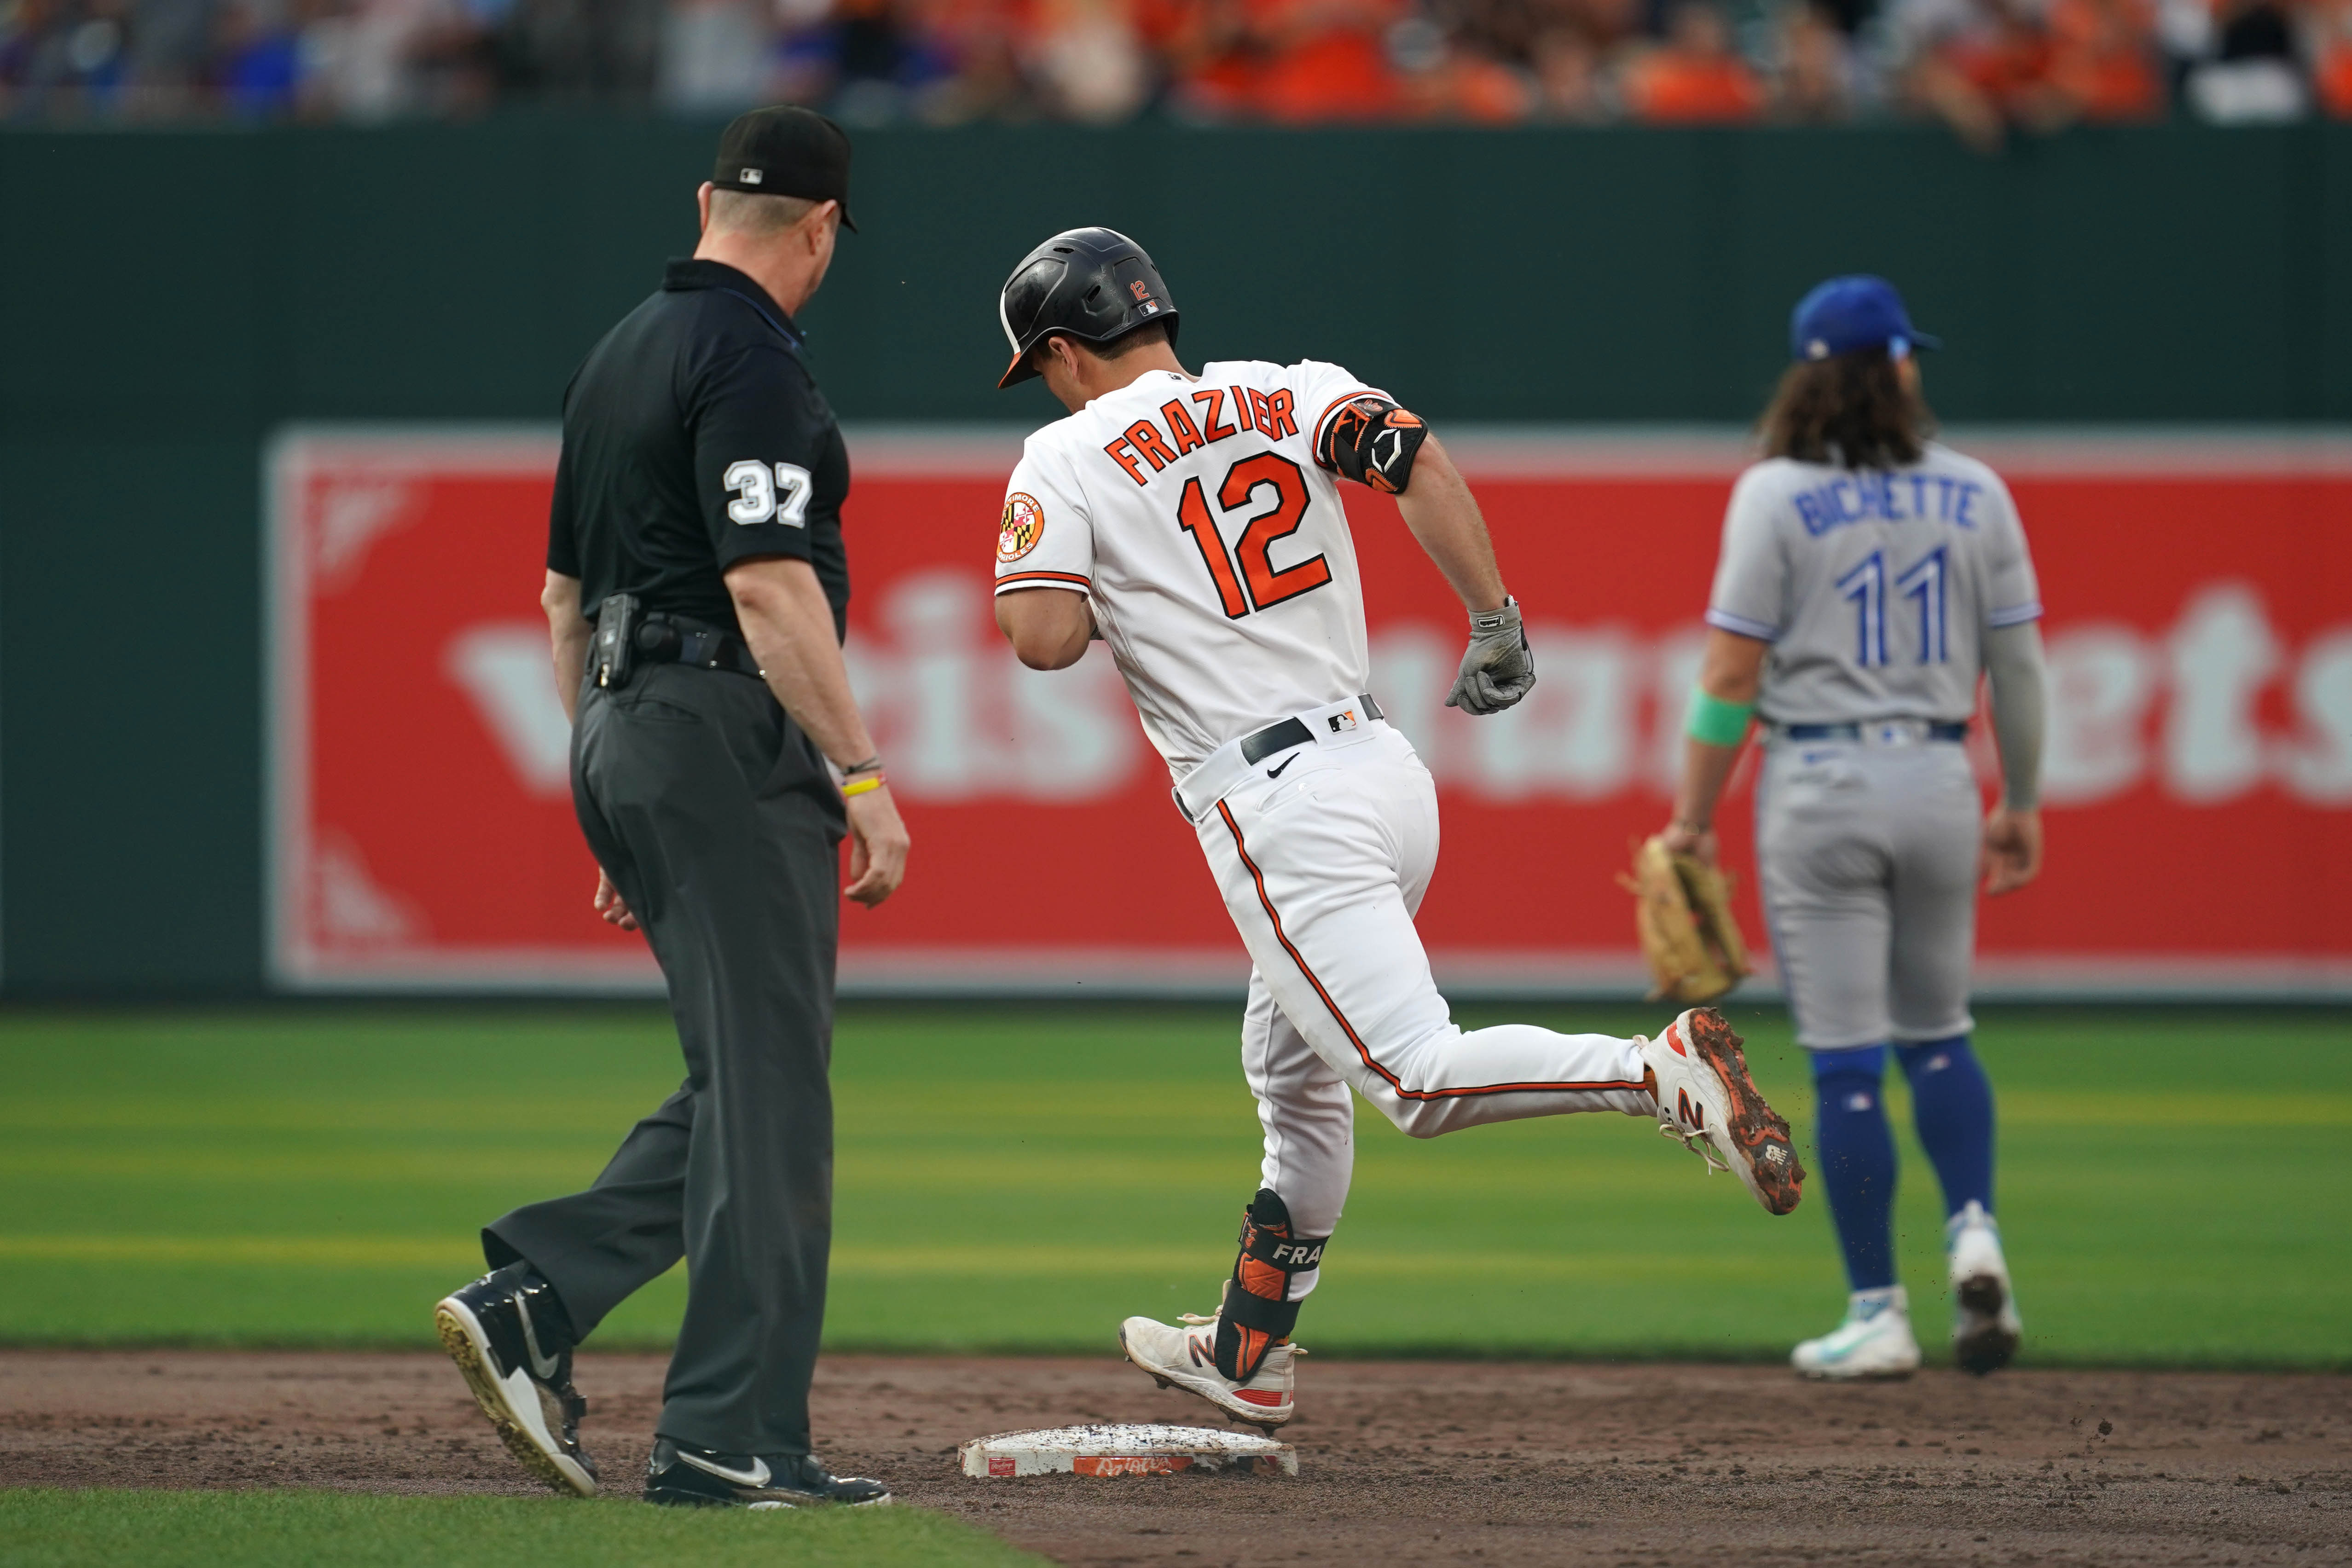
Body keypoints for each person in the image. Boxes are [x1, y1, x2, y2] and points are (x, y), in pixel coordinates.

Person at [987, 227, 1806, 1432]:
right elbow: (1412, 462)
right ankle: (1246, 1353)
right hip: (1380, 768)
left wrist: (1117, 580)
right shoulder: (1290, 387)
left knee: (1407, 1076)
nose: (1044, 381)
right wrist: (1492, 615)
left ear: (1062, 349)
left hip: (1272, 802)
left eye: (1040, 362)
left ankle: (1655, 1075)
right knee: (1287, 1073)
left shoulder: (1058, 453)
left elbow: (1042, 639)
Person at [432, 105, 909, 1507]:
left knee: (743, 1084)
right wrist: (865, 777)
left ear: (707, 201)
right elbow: (768, 589)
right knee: (773, 1098)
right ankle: (723, 1437)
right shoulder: (750, 358)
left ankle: (544, 1300)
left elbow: (561, 599)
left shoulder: (621, 349)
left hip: (623, 721)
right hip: (714, 724)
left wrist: (605, 777)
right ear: (820, 229)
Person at [1663, 275, 2045, 1381]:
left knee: (1843, 1068)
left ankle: (1877, 1311)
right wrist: (2016, 798)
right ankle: (1972, 1227)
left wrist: (1691, 818)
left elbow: (1731, 669)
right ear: (1898, 369)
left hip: (1819, 779)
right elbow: (2015, 668)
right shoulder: (1976, 490)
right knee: (1938, 1032)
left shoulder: (1773, 494)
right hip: (1935, 771)